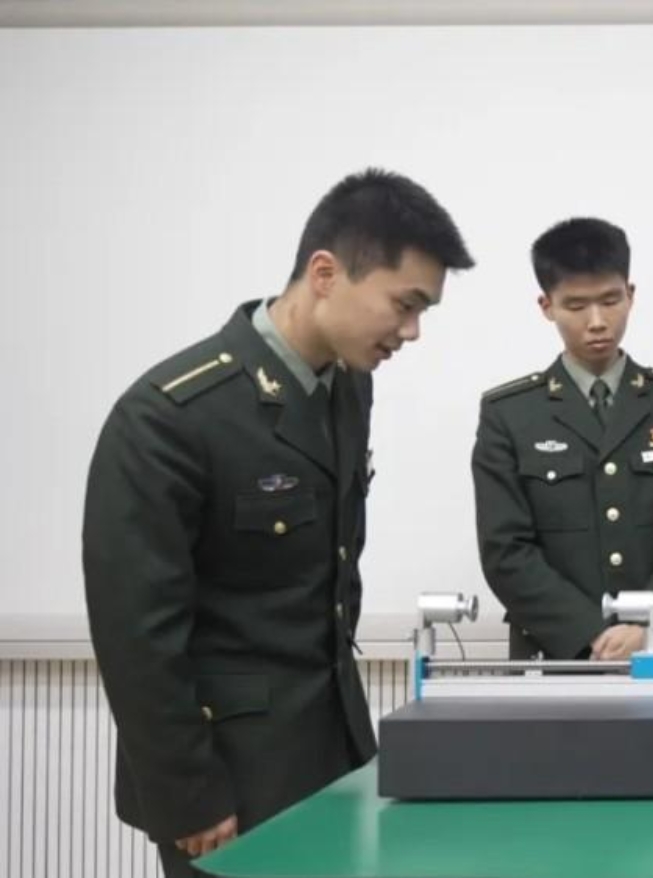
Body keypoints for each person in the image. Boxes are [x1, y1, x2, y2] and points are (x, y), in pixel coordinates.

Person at [82, 168, 474, 876]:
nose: (412, 332)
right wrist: (189, 797)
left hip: (334, 751)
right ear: (325, 274)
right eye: (404, 305)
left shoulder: (349, 389)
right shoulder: (173, 416)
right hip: (229, 780)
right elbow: (136, 636)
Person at [473, 217, 653, 661]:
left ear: (631, 294)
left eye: (610, 300)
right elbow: (505, 550)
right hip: (554, 656)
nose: (597, 322)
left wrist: (648, 627)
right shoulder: (509, 414)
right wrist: (589, 634)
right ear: (546, 306)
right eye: (575, 306)